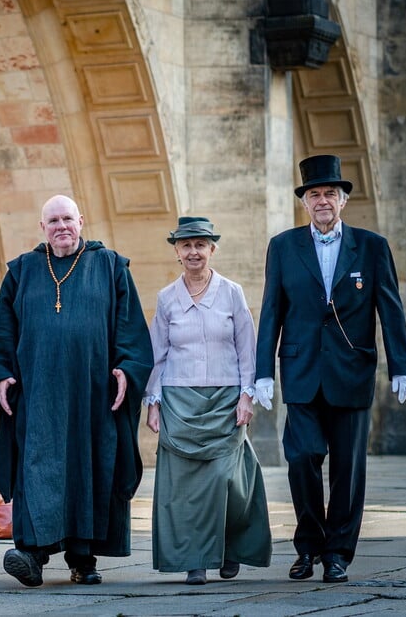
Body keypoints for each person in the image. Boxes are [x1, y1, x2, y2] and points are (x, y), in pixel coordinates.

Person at [255, 155, 406, 584]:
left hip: (352, 371)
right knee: (303, 456)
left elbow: (390, 309)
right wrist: (262, 371)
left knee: (348, 469)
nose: (322, 201)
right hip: (301, 370)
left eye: (329, 194)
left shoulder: (372, 246)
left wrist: (402, 365)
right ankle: (308, 546)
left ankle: (338, 553)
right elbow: (272, 310)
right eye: (314, 194)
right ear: (304, 202)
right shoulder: (284, 246)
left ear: (342, 200)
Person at [0, 194, 154, 587]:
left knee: (89, 467)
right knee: (37, 468)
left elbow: (130, 328)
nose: (61, 227)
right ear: (42, 229)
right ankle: (32, 554)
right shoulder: (23, 271)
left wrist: (127, 369)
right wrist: (2, 374)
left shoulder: (110, 266)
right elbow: (2, 332)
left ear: (81, 221)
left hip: (93, 393)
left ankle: (84, 559)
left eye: (67, 219)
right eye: (52, 221)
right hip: (38, 392)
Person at [143, 217, 272, 585]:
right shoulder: (166, 298)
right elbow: (158, 354)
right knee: (183, 488)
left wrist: (247, 396)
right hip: (179, 401)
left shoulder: (232, 292)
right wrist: (152, 402)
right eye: (186, 245)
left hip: (225, 399)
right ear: (177, 252)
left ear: (212, 249)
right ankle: (194, 560)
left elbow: (247, 349)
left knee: (227, 481)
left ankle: (231, 548)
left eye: (201, 244)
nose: (193, 251)